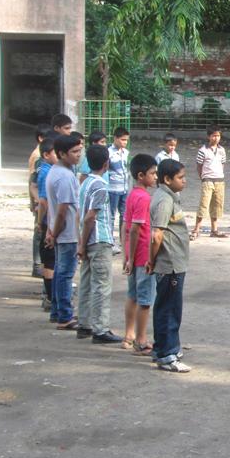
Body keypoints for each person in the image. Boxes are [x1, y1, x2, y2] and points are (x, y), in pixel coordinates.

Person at [76, 144, 123, 343]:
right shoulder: (101, 186)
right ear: (106, 164)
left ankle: (84, 324)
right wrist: (82, 243)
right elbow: (90, 217)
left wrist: (81, 242)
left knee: (86, 283)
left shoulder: (85, 183)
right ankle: (100, 329)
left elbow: (80, 215)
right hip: (99, 239)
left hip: (87, 240)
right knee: (101, 285)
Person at [149, 159, 192, 373]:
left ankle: (161, 348)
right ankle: (168, 354)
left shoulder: (169, 197)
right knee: (170, 309)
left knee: (165, 307)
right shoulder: (164, 200)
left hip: (173, 262)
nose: (184, 181)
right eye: (180, 178)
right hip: (170, 263)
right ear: (167, 179)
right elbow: (156, 235)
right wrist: (151, 260)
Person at [44, 134, 83, 330]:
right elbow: (62, 211)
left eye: (79, 151)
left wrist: (52, 231)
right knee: (65, 274)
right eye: (74, 152)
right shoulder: (65, 176)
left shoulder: (56, 171)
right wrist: (55, 232)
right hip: (67, 233)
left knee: (60, 271)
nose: (78, 155)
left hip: (60, 230)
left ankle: (57, 311)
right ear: (61, 154)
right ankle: (65, 316)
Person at [123, 153, 159, 355]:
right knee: (145, 300)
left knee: (132, 296)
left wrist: (127, 255)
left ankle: (129, 335)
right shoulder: (144, 197)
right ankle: (141, 339)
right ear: (140, 175)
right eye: (152, 173)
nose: (155, 177)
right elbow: (135, 228)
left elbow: (125, 227)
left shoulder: (131, 195)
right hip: (143, 255)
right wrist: (138, 256)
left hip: (133, 254)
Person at [192, 124, 228, 239]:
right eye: (213, 136)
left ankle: (214, 229)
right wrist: (203, 177)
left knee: (217, 205)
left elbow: (223, 164)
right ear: (208, 136)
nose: (216, 138)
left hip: (219, 180)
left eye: (218, 136)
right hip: (207, 180)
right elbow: (199, 165)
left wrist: (219, 175)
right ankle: (196, 229)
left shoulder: (222, 150)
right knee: (204, 205)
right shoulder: (203, 150)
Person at [35, 138, 58, 313]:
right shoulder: (46, 172)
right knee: (49, 261)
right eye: (55, 154)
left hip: (48, 221)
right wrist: (39, 222)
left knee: (51, 261)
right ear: (46, 155)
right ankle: (50, 298)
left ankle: (51, 296)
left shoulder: (48, 170)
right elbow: (43, 201)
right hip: (48, 222)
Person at [28, 125, 51, 278]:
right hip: (40, 202)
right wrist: (35, 201)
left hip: (41, 201)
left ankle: (40, 264)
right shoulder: (38, 157)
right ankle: (38, 264)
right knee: (39, 232)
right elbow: (32, 182)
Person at [107, 127, 131, 254]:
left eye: (126, 140)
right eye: (122, 140)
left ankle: (124, 241)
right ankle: (110, 241)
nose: (124, 142)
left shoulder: (126, 153)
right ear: (115, 138)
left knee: (124, 214)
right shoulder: (109, 152)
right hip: (112, 188)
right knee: (111, 215)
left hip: (124, 188)